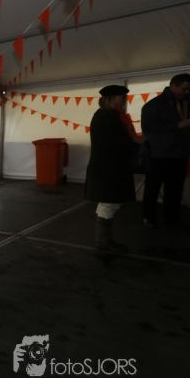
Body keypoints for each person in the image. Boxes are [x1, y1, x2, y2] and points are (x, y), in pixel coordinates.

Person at [84, 85, 139, 253]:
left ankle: (105, 240)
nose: (124, 101)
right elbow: (114, 143)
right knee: (108, 204)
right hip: (108, 169)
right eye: (122, 98)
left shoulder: (109, 115)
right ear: (111, 99)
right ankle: (102, 242)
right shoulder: (107, 116)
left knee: (109, 204)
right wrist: (134, 145)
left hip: (110, 167)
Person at [140, 73, 190, 227]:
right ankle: (149, 218)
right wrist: (177, 126)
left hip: (180, 153)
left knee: (175, 189)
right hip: (159, 154)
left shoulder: (188, 103)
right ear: (173, 85)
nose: (187, 92)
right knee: (153, 188)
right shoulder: (154, 105)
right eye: (184, 89)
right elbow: (148, 130)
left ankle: (171, 218)